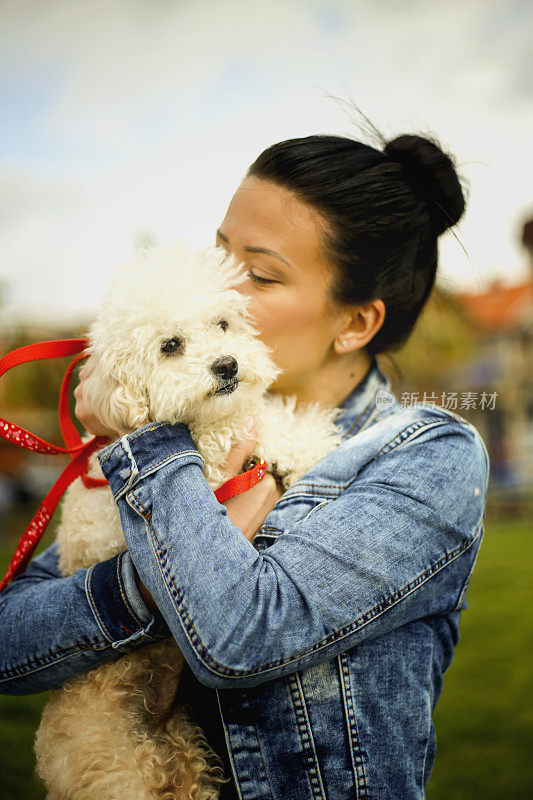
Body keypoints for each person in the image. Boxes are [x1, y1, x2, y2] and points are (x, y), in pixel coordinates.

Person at [0, 131, 489, 799]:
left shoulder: (426, 457)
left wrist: (145, 449)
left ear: (354, 323)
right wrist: (143, 584)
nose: (222, 285)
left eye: (258, 274)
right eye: (218, 253)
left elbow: (238, 638)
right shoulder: (180, 428)